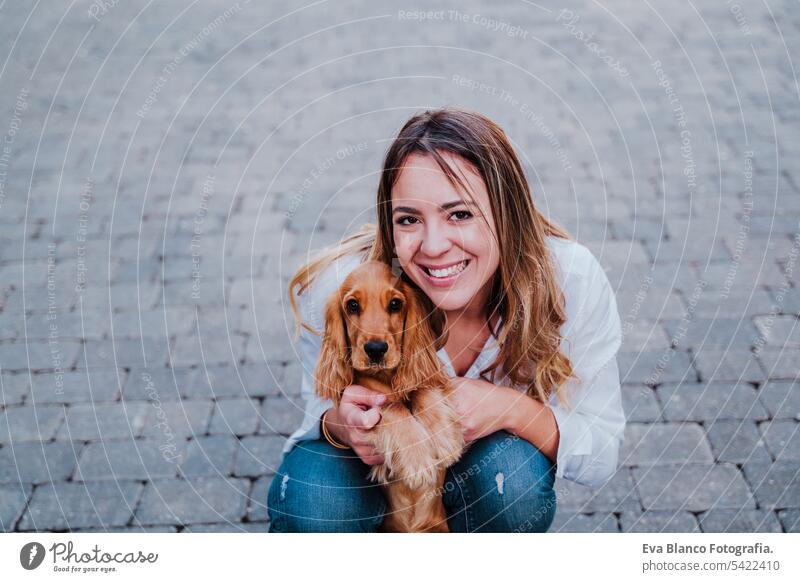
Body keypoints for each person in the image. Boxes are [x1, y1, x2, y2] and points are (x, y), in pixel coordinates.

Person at [267, 108, 624, 533]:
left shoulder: (571, 279)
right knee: (314, 498)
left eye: (460, 214)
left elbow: (601, 451)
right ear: (389, 222)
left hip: (483, 468)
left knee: (513, 483)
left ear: (506, 214)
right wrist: (342, 424)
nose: (434, 247)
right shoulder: (343, 287)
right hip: (368, 471)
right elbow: (318, 408)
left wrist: (509, 408)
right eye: (409, 219)